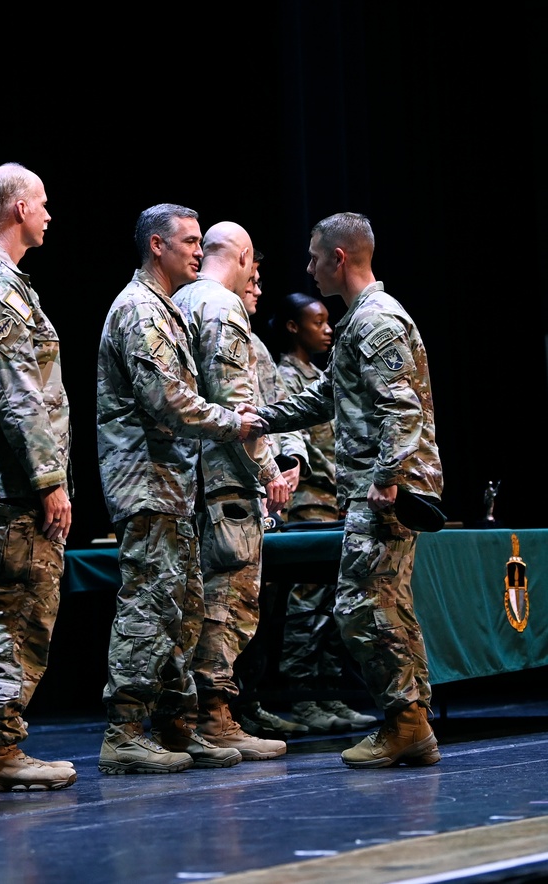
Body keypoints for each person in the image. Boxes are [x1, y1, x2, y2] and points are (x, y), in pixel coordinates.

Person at [251, 212, 442, 768]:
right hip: (375, 486)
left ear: (338, 257)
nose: (308, 268)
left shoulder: (377, 320)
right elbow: (321, 398)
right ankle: (411, 722)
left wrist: (387, 478)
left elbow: (401, 409)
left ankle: (406, 720)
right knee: (388, 607)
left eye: (313, 257)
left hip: (387, 491)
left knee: (360, 607)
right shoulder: (359, 320)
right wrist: (257, 420)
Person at [96, 203, 267, 775]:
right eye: (189, 242)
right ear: (156, 246)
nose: (199, 251)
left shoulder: (166, 309)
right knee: (148, 604)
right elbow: (167, 400)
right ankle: (124, 731)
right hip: (144, 482)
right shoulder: (140, 310)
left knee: (184, 607)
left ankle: (175, 726)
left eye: (201, 242)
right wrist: (233, 423)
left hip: (171, 485)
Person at [0, 163, 76, 791]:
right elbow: (16, 394)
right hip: (19, 484)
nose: (49, 214)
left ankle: (0, 742)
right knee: (14, 608)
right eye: (44, 203)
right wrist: (50, 479)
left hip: (16, 477)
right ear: (19, 207)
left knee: (19, 607)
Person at [171, 222, 294, 760]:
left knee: (195, 605)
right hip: (224, 480)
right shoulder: (220, 308)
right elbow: (240, 410)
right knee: (226, 604)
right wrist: (269, 472)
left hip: (186, 477)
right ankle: (214, 718)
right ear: (244, 257)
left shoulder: (176, 300)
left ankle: (190, 718)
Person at [270, 291, 376, 734]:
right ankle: (305, 694)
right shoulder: (284, 376)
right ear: (294, 326)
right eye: (318, 322)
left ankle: (329, 691)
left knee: (335, 600)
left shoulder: (319, 373)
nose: (328, 329)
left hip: (335, 498)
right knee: (307, 602)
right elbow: (292, 434)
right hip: (308, 501)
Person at [226, 254, 312, 742]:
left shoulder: (256, 345)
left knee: (262, 605)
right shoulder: (216, 328)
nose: (257, 290)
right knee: (235, 604)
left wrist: (291, 461)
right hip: (245, 488)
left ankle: (251, 700)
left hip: (272, 490)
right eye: (251, 281)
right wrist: (266, 474)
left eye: (261, 281)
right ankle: (228, 705)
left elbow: (285, 409)